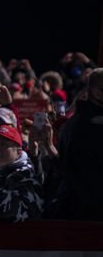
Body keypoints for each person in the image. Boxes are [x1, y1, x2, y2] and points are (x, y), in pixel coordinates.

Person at [53, 68, 103, 220]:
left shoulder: (74, 121)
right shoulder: (90, 124)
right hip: (91, 211)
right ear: (96, 92)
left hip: (75, 205)